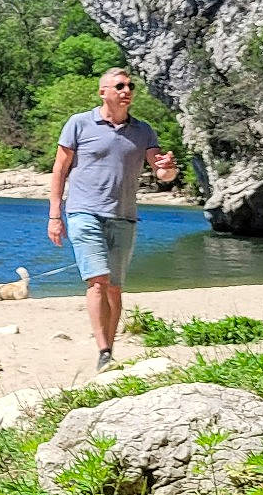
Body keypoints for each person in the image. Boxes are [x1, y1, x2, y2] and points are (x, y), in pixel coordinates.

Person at [48, 68, 181, 372]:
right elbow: (59, 170)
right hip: (84, 213)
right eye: (120, 85)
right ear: (103, 92)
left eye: (130, 86)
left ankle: (108, 352)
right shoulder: (78, 124)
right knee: (98, 281)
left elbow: (161, 173)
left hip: (124, 217)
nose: (127, 90)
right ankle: (103, 349)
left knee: (114, 288)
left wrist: (168, 168)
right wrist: (55, 215)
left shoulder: (143, 130)